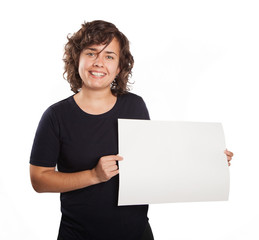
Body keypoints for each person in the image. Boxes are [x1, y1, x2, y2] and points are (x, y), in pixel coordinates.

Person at [29, 20, 234, 240]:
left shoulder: (134, 106)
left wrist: (209, 161)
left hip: (136, 233)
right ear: (77, 59)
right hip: (79, 234)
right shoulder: (56, 116)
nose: (99, 62)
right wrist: (93, 175)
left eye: (109, 56)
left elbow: (155, 161)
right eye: (91, 53)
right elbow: (39, 180)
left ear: (118, 67)